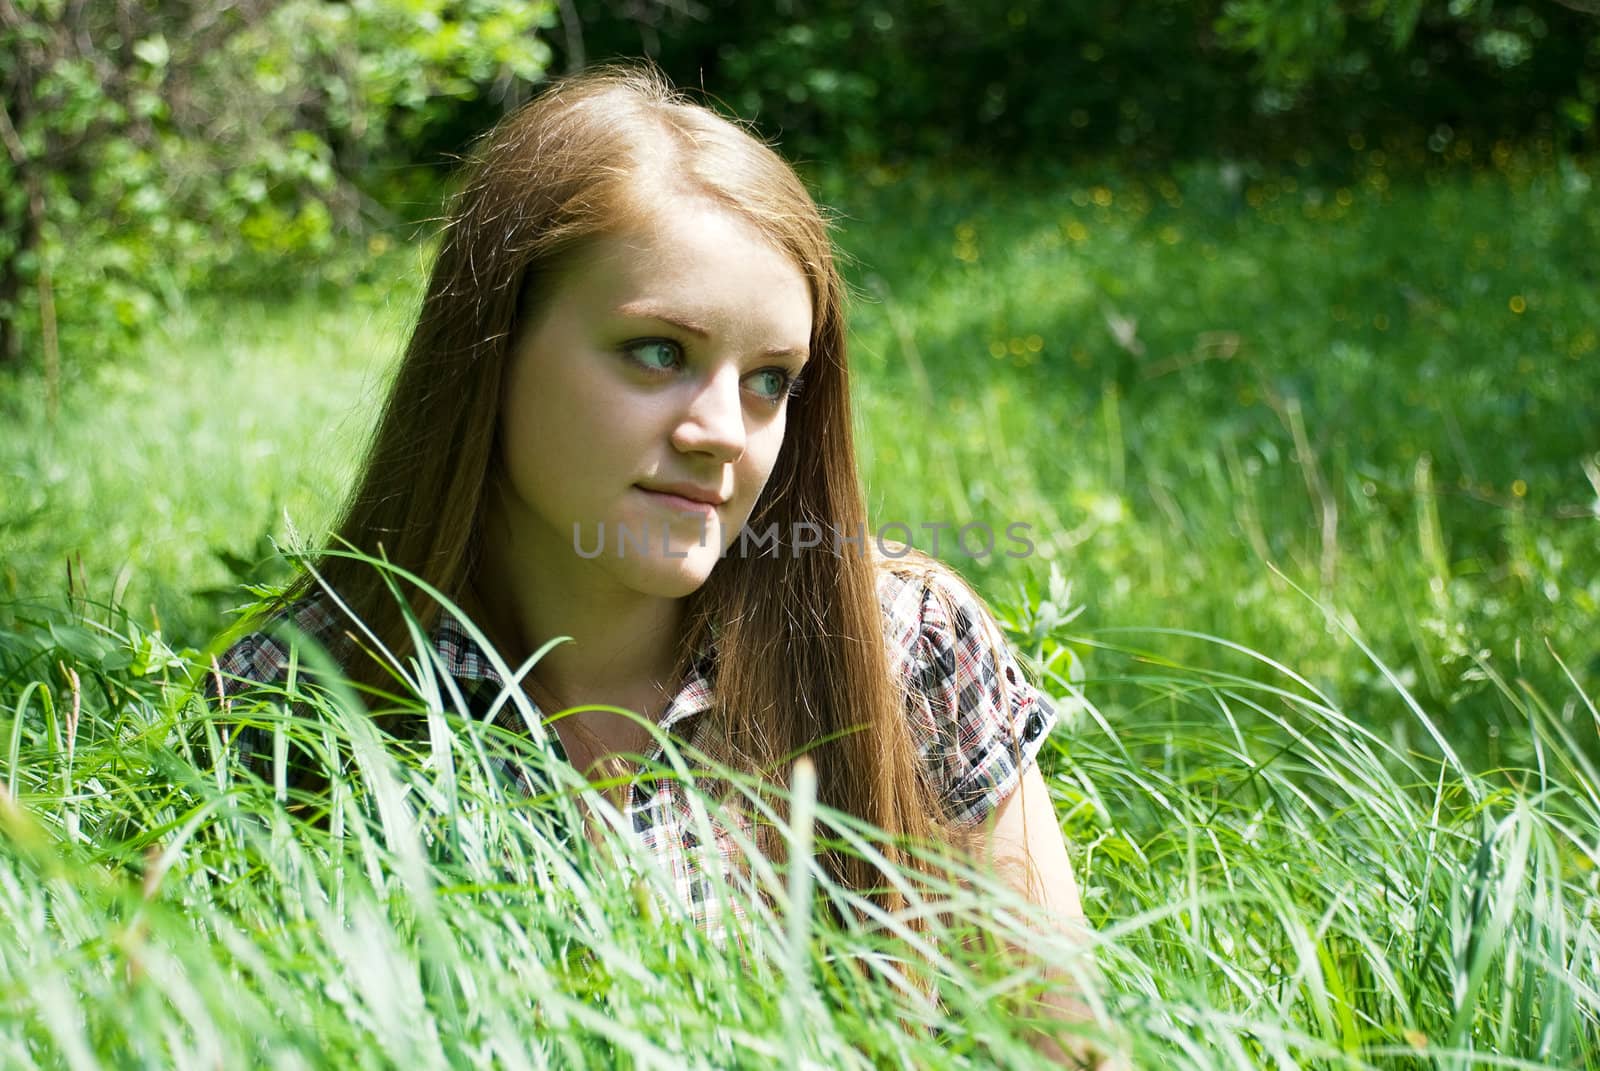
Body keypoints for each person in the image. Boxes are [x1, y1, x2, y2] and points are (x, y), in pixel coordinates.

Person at [211, 63, 1108, 1064]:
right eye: (657, 352)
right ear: (491, 347)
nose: (723, 431)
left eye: (771, 380)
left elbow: (1065, 1049)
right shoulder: (306, 697)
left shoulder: (904, 646)